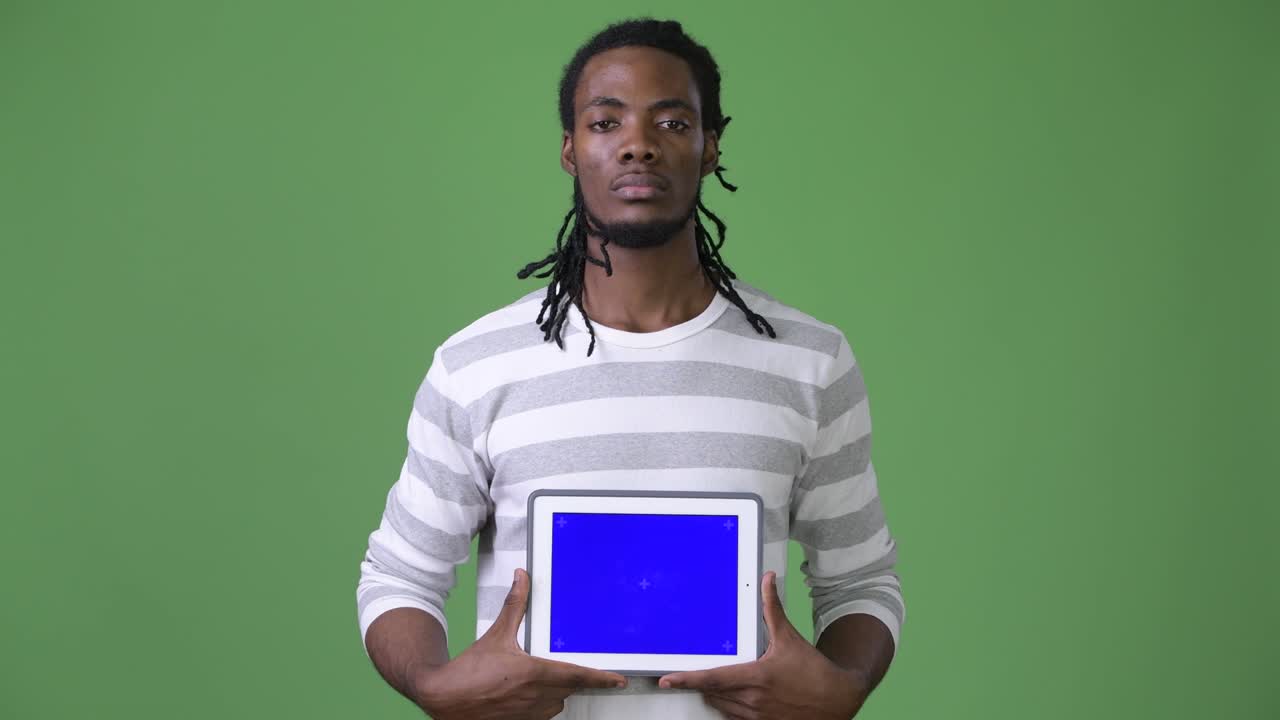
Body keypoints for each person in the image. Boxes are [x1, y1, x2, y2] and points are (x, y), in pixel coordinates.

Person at [356, 17, 905, 720]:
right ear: (570, 148)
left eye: (672, 122)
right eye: (605, 121)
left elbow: (861, 582)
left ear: (710, 148)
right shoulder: (476, 365)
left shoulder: (810, 360)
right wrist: (434, 685)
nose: (638, 144)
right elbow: (399, 577)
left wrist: (845, 687)